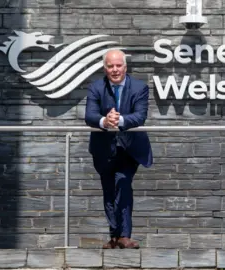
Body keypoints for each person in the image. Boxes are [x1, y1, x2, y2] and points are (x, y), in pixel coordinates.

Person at [85, 49, 153, 249]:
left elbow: (140, 116)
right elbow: (90, 115)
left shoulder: (140, 87)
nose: (114, 70)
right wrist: (104, 121)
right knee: (108, 190)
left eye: (118, 65)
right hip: (103, 148)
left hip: (129, 148)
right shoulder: (96, 87)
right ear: (105, 68)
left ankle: (124, 235)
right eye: (110, 66)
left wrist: (119, 120)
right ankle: (114, 235)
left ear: (125, 66)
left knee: (122, 184)